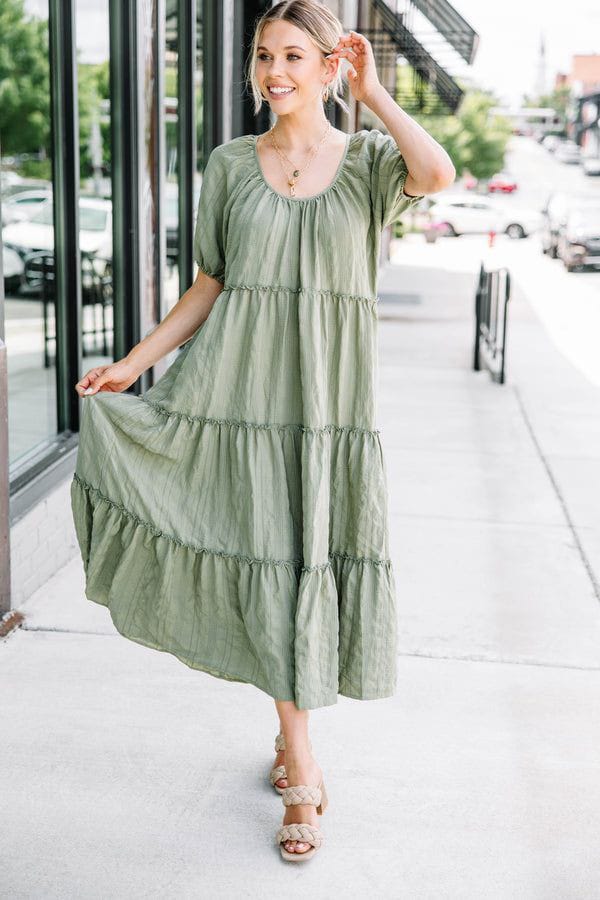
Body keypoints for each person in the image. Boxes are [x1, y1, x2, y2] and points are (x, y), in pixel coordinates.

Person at [71, 0, 455, 863]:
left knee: (300, 565)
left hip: (324, 414)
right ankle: (305, 763)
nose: (274, 71)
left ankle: (290, 735)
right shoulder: (231, 165)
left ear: (328, 66)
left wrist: (377, 91)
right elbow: (209, 284)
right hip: (232, 401)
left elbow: (436, 175)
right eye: (263, 55)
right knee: (264, 560)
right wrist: (134, 366)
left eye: (292, 55)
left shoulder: (364, 162)